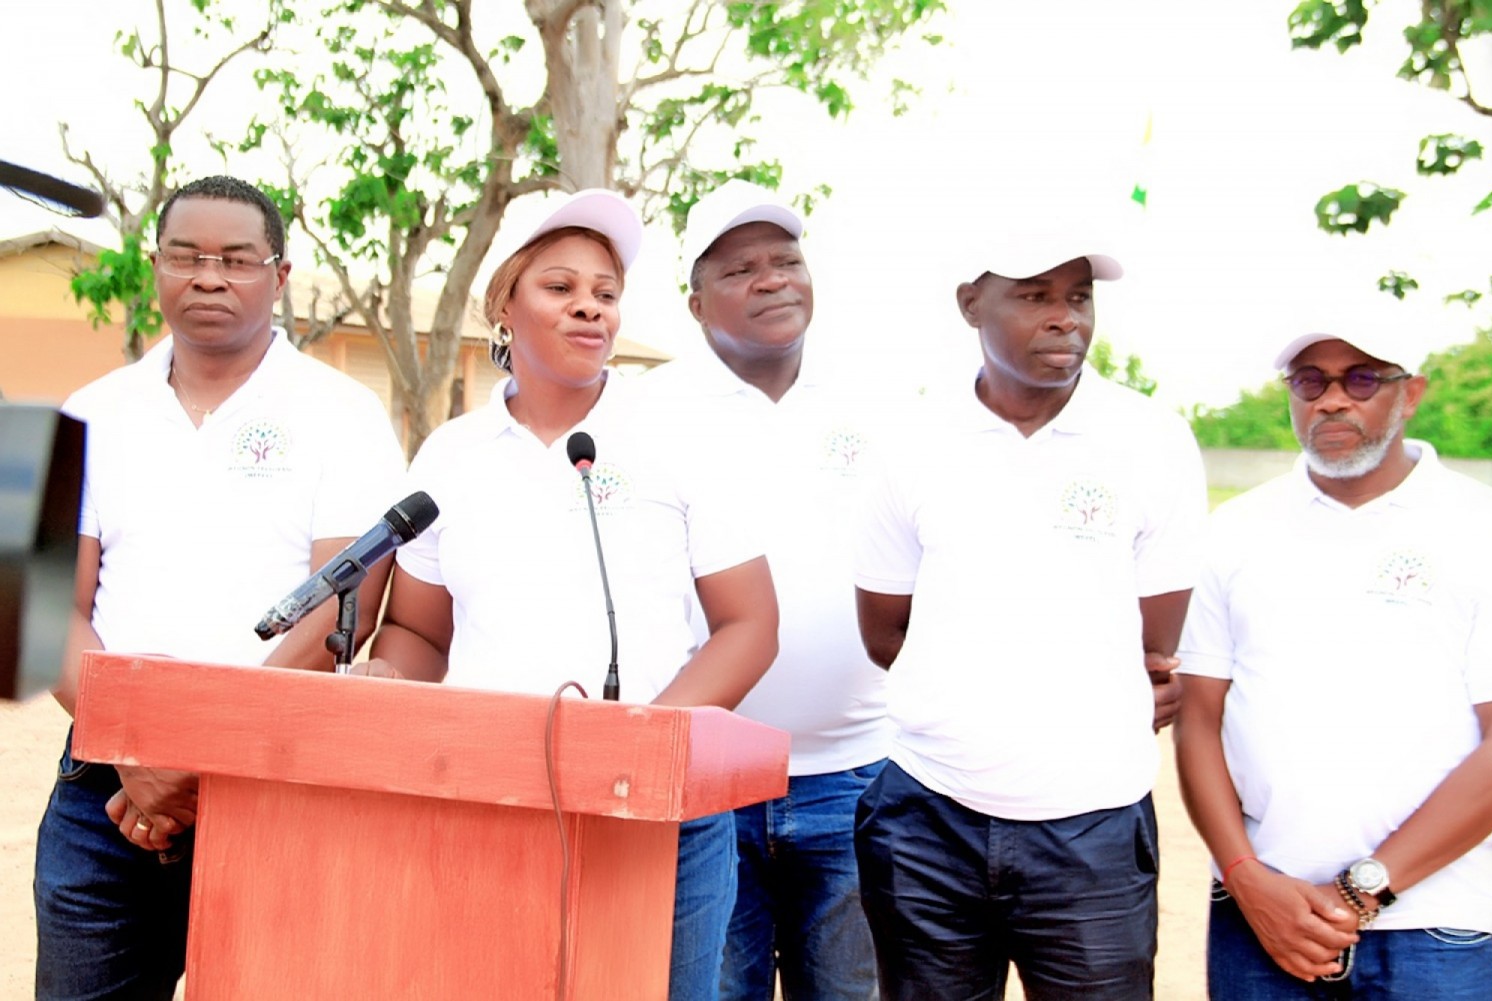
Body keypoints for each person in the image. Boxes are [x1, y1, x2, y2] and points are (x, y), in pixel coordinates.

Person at [358, 188, 780, 1001]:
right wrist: (390, 677)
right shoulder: (452, 455)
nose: (589, 305)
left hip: (660, 818)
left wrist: (647, 744)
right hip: (489, 800)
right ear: (503, 306)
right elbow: (417, 630)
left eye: (606, 291)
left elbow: (749, 625)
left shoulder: (679, 435)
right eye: (560, 287)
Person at [33, 174, 406, 1000]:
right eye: (186, 256)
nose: (209, 277)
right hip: (109, 790)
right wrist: (139, 751)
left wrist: (210, 754)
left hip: (278, 778)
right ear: (155, 266)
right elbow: (52, 603)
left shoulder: (341, 412)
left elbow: (348, 603)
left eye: (237, 259)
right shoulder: (90, 411)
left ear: (278, 274)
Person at [851, 223, 1207, 999]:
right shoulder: (911, 442)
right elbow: (886, 631)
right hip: (928, 819)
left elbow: (1156, 642)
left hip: (1094, 830)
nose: (1065, 317)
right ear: (970, 303)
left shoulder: (1151, 439)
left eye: (1078, 296)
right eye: (1035, 295)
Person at [1174, 319, 1492, 999]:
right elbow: (1198, 719)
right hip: (1261, 920)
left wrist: (1361, 890)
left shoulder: (1482, 529)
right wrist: (1245, 876)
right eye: (1309, 380)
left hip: (1436, 927)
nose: (1331, 400)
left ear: (1410, 394)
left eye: (1360, 379)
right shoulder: (1234, 532)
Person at [642, 179, 893, 999]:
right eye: (742, 268)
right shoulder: (649, 413)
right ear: (695, 303)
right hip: (709, 787)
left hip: (858, 776)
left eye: (786, 260)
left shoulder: (878, 402)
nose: (773, 279)